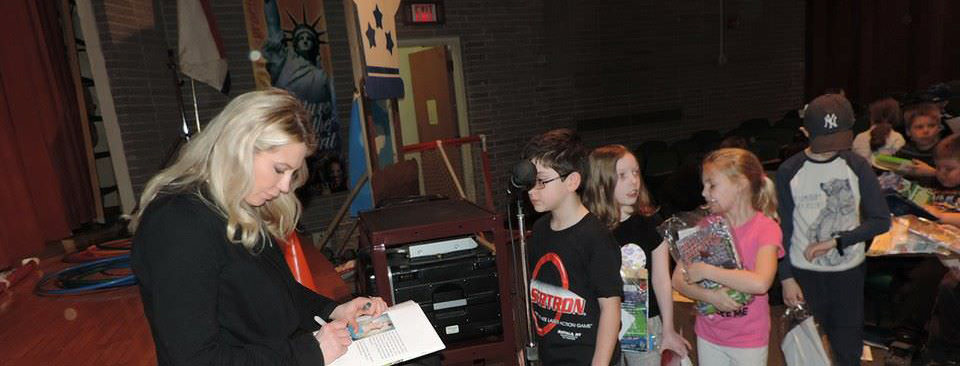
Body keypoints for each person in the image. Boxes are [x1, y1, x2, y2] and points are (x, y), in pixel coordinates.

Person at [129, 89, 387, 365]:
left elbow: (278, 293)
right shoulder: (179, 225)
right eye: (279, 169)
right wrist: (310, 351)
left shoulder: (238, 205)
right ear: (239, 148)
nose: (286, 187)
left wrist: (334, 309)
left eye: (292, 172)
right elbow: (194, 359)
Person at [777, 93, 891, 366]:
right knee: (805, 352)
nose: (830, 149)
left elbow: (880, 221)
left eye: (838, 140)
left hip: (846, 275)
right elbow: (783, 229)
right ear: (805, 132)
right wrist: (786, 277)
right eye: (823, 142)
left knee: (847, 350)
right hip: (804, 276)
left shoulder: (857, 165)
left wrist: (835, 242)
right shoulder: (789, 171)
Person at [670, 148, 784, 366]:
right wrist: (711, 297)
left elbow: (760, 282)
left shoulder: (766, 229)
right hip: (709, 335)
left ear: (740, 185)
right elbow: (677, 280)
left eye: (712, 184)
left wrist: (707, 271)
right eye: (704, 185)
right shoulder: (706, 226)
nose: (704, 192)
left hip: (748, 339)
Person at [582, 145, 690, 365]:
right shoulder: (590, 229)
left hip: (645, 322)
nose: (633, 181)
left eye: (636, 172)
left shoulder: (651, 222)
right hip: (604, 323)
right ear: (602, 183)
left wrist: (668, 329)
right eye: (622, 176)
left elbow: (661, 279)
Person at [523, 129, 622, 365]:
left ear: (572, 181)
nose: (531, 190)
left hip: (587, 358)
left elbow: (610, 308)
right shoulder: (539, 230)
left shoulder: (595, 236)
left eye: (542, 181)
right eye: (530, 181)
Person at [895, 102, 943, 180]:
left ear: (939, 128)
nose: (926, 131)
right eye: (919, 127)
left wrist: (933, 172)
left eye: (931, 125)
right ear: (908, 132)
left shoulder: (947, 151)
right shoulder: (904, 152)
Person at [851, 97, 906, 164]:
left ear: (872, 115)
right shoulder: (897, 138)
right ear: (895, 116)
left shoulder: (859, 138)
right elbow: (901, 167)